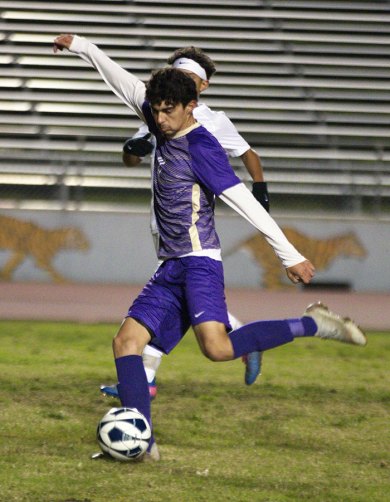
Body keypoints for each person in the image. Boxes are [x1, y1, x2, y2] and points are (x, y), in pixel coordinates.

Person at [53, 36, 366, 462]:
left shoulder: (203, 147)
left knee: (217, 348)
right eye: (156, 109)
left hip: (200, 263)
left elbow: (244, 203)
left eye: (168, 111)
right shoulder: (160, 115)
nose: (160, 119)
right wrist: (81, 45)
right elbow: (122, 82)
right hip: (171, 264)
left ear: (191, 107)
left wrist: (289, 254)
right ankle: (142, 446)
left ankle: (315, 325)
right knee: (126, 342)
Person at [104, 46, 269, 399]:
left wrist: (260, 188)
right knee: (176, 300)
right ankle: (239, 341)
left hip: (192, 228)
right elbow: (130, 159)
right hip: (160, 221)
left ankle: (142, 380)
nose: (179, 83)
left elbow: (247, 153)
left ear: (202, 87)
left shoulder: (212, 121)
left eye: (189, 79)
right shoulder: (161, 111)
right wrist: (132, 150)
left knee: (174, 302)